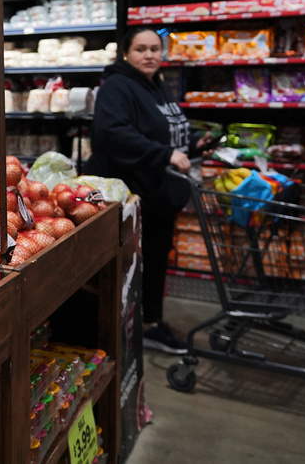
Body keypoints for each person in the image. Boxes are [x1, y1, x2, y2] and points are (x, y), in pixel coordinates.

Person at [84, 27, 216, 354]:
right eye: (141, 49)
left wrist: (191, 145)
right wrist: (165, 154)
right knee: (137, 263)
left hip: (155, 192)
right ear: (126, 53)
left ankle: (149, 322)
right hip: (129, 195)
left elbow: (160, 131)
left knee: (155, 260)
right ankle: (140, 325)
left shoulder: (155, 84)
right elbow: (113, 134)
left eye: (155, 49)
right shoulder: (117, 86)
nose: (149, 55)